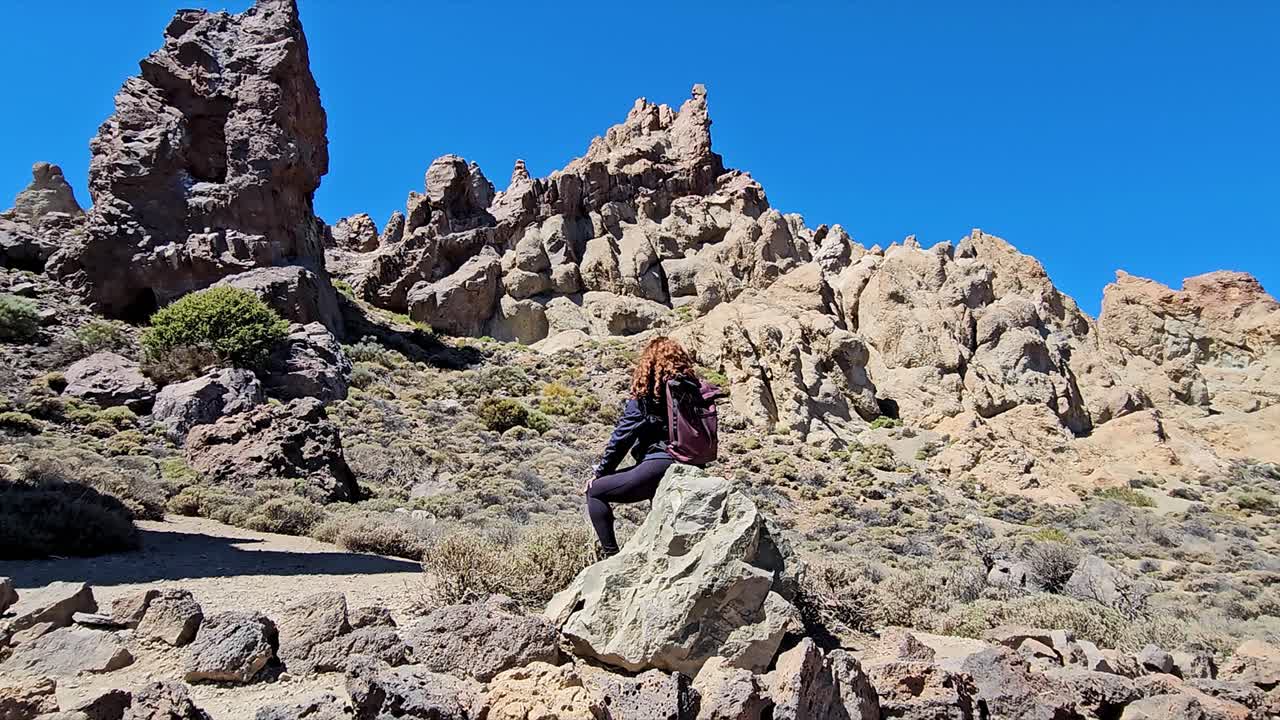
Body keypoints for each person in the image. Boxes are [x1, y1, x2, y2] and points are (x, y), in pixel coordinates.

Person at [584, 336, 698, 557]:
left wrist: (601, 473)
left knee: (595, 492)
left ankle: (610, 556)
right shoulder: (692, 389)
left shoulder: (648, 395)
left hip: (660, 463)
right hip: (692, 464)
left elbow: (622, 437)